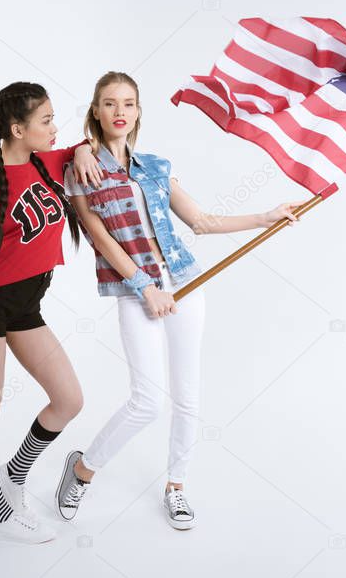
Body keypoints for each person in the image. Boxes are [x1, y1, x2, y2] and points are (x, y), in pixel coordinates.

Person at [55, 71, 301, 529]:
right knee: (147, 401)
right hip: (138, 291)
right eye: (110, 103)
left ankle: (177, 486)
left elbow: (202, 222)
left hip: (185, 283)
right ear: (96, 111)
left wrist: (266, 216)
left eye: (128, 103)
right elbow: (100, 237)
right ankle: (83, 469)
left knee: (188, 398)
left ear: (139, 111)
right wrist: (144, 287)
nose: (120, 112)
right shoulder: (81, 169)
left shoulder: (156, 166)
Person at [0, 82, 101, 543]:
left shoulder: (47, 162)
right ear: (18, 128)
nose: (55, 129)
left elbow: (84, 144)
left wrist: (86, 149)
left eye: (54, 119)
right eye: (46, 121)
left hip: (26, 305)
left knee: (69, 399)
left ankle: (14, 475)